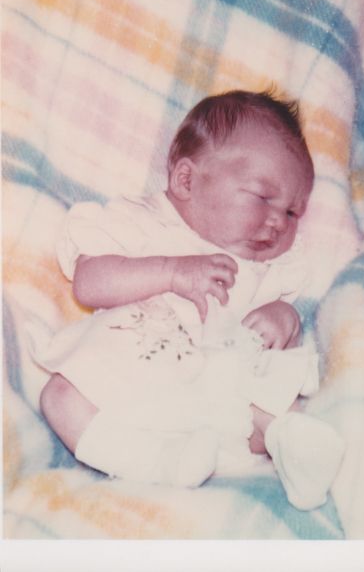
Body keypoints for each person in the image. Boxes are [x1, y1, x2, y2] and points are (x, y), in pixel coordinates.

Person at [30, 90, 344, 510]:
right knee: (60, 396)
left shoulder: (270, 270)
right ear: (186, 180)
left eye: (292, 212)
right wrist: (171, 271)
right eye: (262, 196)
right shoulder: (144, 221)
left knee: (274, 397)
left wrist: (284, 316)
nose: (277, 221)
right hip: (132, 369)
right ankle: (148, 461)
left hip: (217, 399)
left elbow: (273, 346)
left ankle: (292, 447)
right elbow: (89, 283)